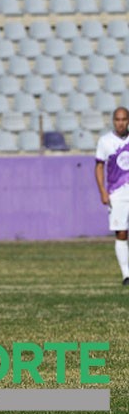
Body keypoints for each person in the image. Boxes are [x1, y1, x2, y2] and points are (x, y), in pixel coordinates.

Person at [95, 107, 129, 286]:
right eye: (117, 119)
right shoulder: (105, 141)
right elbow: (99, 166)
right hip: (117, 193)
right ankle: (126, 275)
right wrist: (102, 190)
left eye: (124, 119)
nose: (121, 123)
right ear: (113, 121)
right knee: (121, 232)